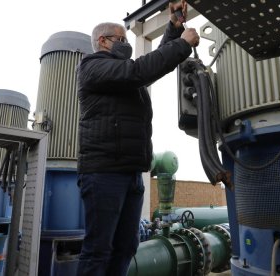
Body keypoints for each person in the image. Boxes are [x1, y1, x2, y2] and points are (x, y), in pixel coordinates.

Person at [75, 1, 199, 275]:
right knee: (98, 250)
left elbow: (147, 67)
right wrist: (183, 45)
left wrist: (173, 29)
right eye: (121, 39)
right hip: (104, 172)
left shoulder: (123, 76)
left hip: (131, 173)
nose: (126, 44)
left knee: (126, 246)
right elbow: (138, 70)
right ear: (103, 41)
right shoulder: (92, 67)